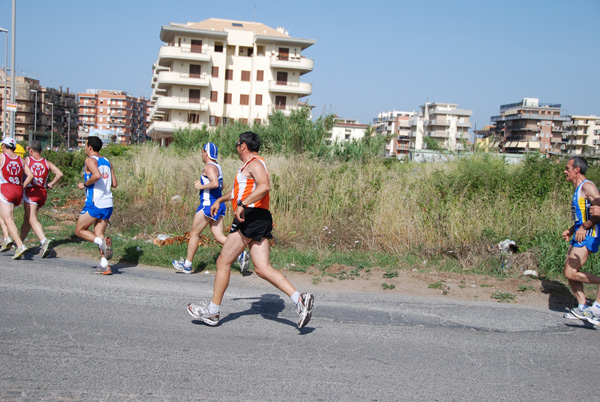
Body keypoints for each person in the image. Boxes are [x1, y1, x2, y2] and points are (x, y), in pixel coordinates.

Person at [187, 132, 314, 329]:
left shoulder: (255, 163)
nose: (236, 146)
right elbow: (239, 192)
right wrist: (221, 200)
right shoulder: (247, 167)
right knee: (262, 269)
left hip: (251, 216)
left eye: (237, 143)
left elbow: (265, 186)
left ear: (243, 146)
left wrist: (242, 205)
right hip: (258, 216)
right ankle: (300, 300)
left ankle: (213, 312)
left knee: (223, 261)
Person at [172, 142, 249, 274]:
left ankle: (187, 265)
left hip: (208, 205)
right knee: (219, 236)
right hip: (217, 205)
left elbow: (214, 183)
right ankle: (241, 254)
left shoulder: (209, 167)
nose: (201, 155)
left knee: (194, 234)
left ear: (206, 153)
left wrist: (200, 186)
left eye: (202, 152)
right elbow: (221, 186)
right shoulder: (218, 166)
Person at [561, 156, 600, 325]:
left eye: (568, 168)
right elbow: (581, 215)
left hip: (589, 234)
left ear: (577, 170)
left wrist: (585, 227)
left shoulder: (588, 186)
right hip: (580, 233)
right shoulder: (577, 189)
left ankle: (596, 307)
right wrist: (572, 229)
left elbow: (598, 211)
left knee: (570, 272)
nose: (565, 171)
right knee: (569, 272)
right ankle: (583, 306)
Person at [74, 136, 117, 275]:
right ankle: (105, 265)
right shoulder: (107, 161)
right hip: (108, 203)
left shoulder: (90, 160)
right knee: (99, 232)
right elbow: (114, 184)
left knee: (79, 231)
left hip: (95, 203)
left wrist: (84, 184)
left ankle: (101, 242)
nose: (85, 148)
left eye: (85, 145)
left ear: (90, 147)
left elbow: (97, 175)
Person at [19, 141, 63, 258]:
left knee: (32, 218)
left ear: (31, 150)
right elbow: (60, 174)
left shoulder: (27, 161)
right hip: (42, 192)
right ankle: (19, 242)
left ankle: (44, 241)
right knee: (27, 218)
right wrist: (51, 184)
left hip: (31, 191)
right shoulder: (46, 162)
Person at [0, 137, 33, 259]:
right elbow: (30, 175)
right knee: (6, 215)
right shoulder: (21, 160)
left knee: (8, 219)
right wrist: (23, 185)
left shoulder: (2, 157)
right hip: (17, 189)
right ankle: (7, 238)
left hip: (6, 188)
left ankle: (19, 245)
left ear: (4, 146)